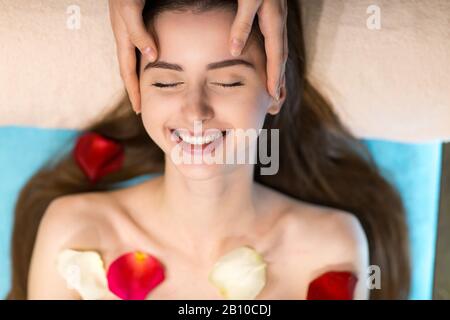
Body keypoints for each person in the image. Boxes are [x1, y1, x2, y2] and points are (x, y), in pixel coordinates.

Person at [7, 0, 409, 300]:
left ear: (276, 90)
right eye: (166, 83)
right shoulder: (75, 232)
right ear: (137, 90)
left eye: (228, 82)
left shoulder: (328, 245)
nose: (195, 110)